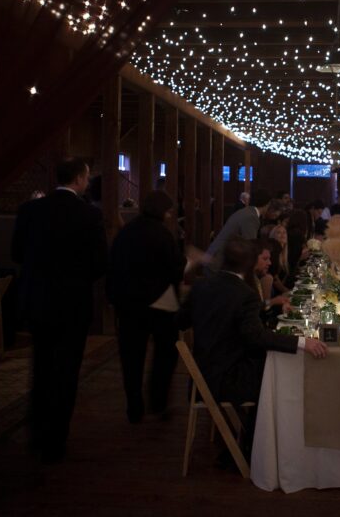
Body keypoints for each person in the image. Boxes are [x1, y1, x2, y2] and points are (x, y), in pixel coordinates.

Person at [179, 238, 327, 459]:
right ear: (249, 264)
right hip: (227, 379)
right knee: (277, 374)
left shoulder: (202, 285)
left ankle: (253, 440)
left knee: (269, 364)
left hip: (203, 373)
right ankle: (254, 448)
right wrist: (303, 343)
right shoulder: (243, 294)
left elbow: (180, 322)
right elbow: (255, 337)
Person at [11, 158, 107, 462]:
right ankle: (56, 439)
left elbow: (17, 253)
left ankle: (36, 433)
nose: (88, 182)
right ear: (79, 179)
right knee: (66, 371)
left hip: (38, 301)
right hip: (73, 304)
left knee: (41, 368)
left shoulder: (30, 210)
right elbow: (99, 264)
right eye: (87, 177)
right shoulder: (90, 215)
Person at [107, 191, 186, 424]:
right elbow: (173, 269)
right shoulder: (162, 234)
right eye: (169, 211)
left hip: (129, 304)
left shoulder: (127, 232)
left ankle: (134, 406)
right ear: (163, 211)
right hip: (160, 303)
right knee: (165, 354)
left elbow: (114, 265)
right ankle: (158, 401)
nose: (171, 215)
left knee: (131, 357)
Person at [206, 189, 271, 257]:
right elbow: (250, 245)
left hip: (217, 256)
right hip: (219, 260)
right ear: (267, 204)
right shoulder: (251, 216)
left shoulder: (247, 212)